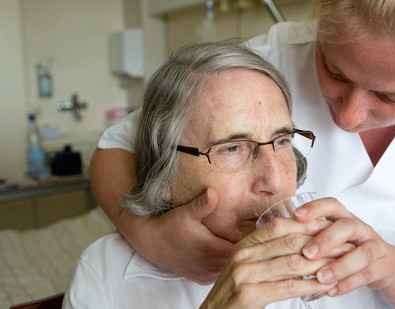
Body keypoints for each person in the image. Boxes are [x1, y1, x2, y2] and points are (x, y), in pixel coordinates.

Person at [90, 0, 395, 307]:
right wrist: (151, 236)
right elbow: (117, 147)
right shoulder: (262, 65)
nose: (348, 118)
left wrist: (390, 268)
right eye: (333, 70)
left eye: (390, 98)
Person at [65, 42, 355, 308]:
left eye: (282, 141)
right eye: (231, 149)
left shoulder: (315, 261)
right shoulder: (104, 276)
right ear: (164, 172)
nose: (276, 181)